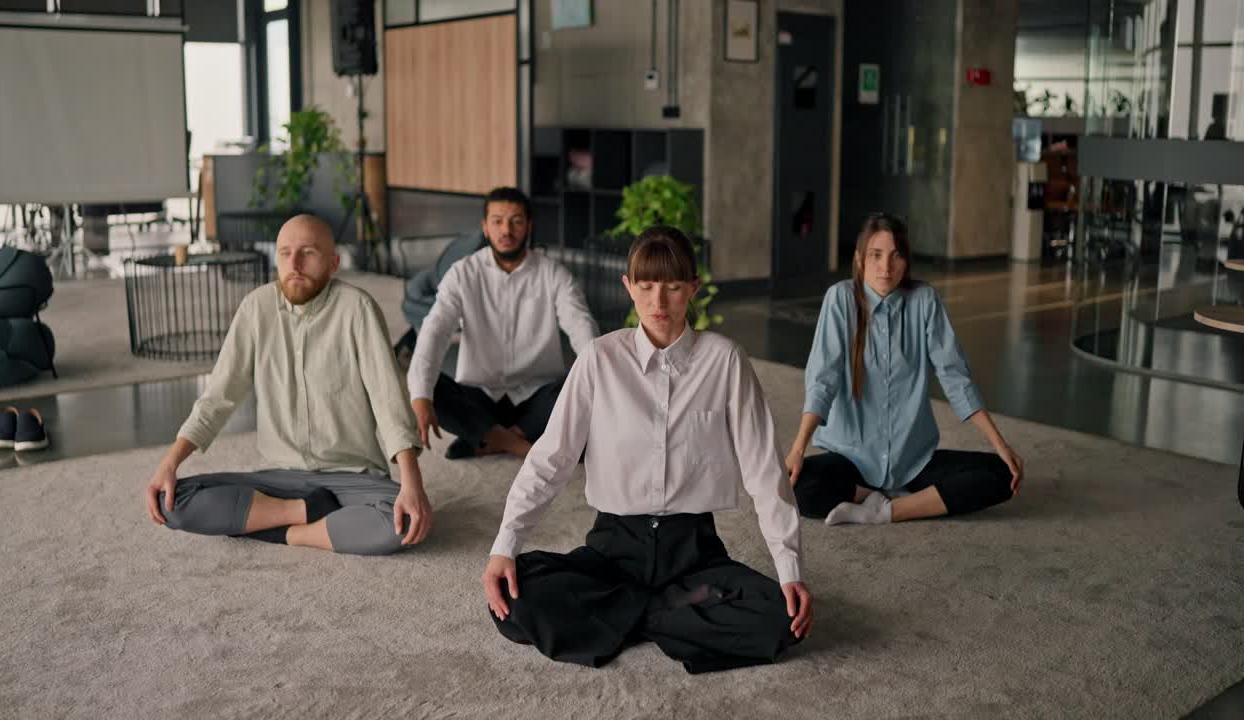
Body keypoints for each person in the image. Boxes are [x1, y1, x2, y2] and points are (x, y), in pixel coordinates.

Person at [482, 225, 812, 674]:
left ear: (693, 289)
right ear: (629, 288)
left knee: (782, 621)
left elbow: (764, 470)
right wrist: (504, 544)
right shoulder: (599, 358)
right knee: (516, 596)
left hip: (694, 554)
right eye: (647, 286)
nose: (659, 302)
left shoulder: (726, 360)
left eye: (674, 287)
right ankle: (672, 616)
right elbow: (552, 458)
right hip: (612, 550)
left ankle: (626, 617)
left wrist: (789, 569)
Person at [143, 214, 432, 553]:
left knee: (404, 523)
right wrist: (169, 463)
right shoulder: (255, 308)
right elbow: (218, 397)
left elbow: (389, 401)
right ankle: (303, 513)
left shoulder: (358, 309)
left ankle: (280, 531)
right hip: (277, 478)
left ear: (334, 262)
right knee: (171, 502)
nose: (294, 264)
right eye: (284, 253)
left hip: (352, 477)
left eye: (307, 252)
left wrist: (412, 484)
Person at [786, 212, 1024, 525]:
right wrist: (798, 448)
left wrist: (1001, 445)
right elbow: (823, 380)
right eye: (876, 255)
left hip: (913, 463)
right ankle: (871, 497)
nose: (885, 267)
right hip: (852, 460)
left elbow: (956, 378)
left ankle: (888, 511)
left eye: (895, 256)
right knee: (797, 486)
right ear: (859, 260)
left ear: (906, 261)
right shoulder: (840, 299)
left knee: (1001, 474)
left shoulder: (925, 301)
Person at [407, 187, 598, 460]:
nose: (506, 230)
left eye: (516, 221)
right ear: (485, 227)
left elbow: (581, 325)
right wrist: (421, 396)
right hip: (480, 394)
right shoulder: (463, 273)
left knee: (583, 379)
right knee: (423, 386)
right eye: (497, 221)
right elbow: (435, 330)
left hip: (537, 398)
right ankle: (520, 444)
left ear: (529, 226)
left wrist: (598, 377)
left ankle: (488, 437)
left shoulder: (553, 273)